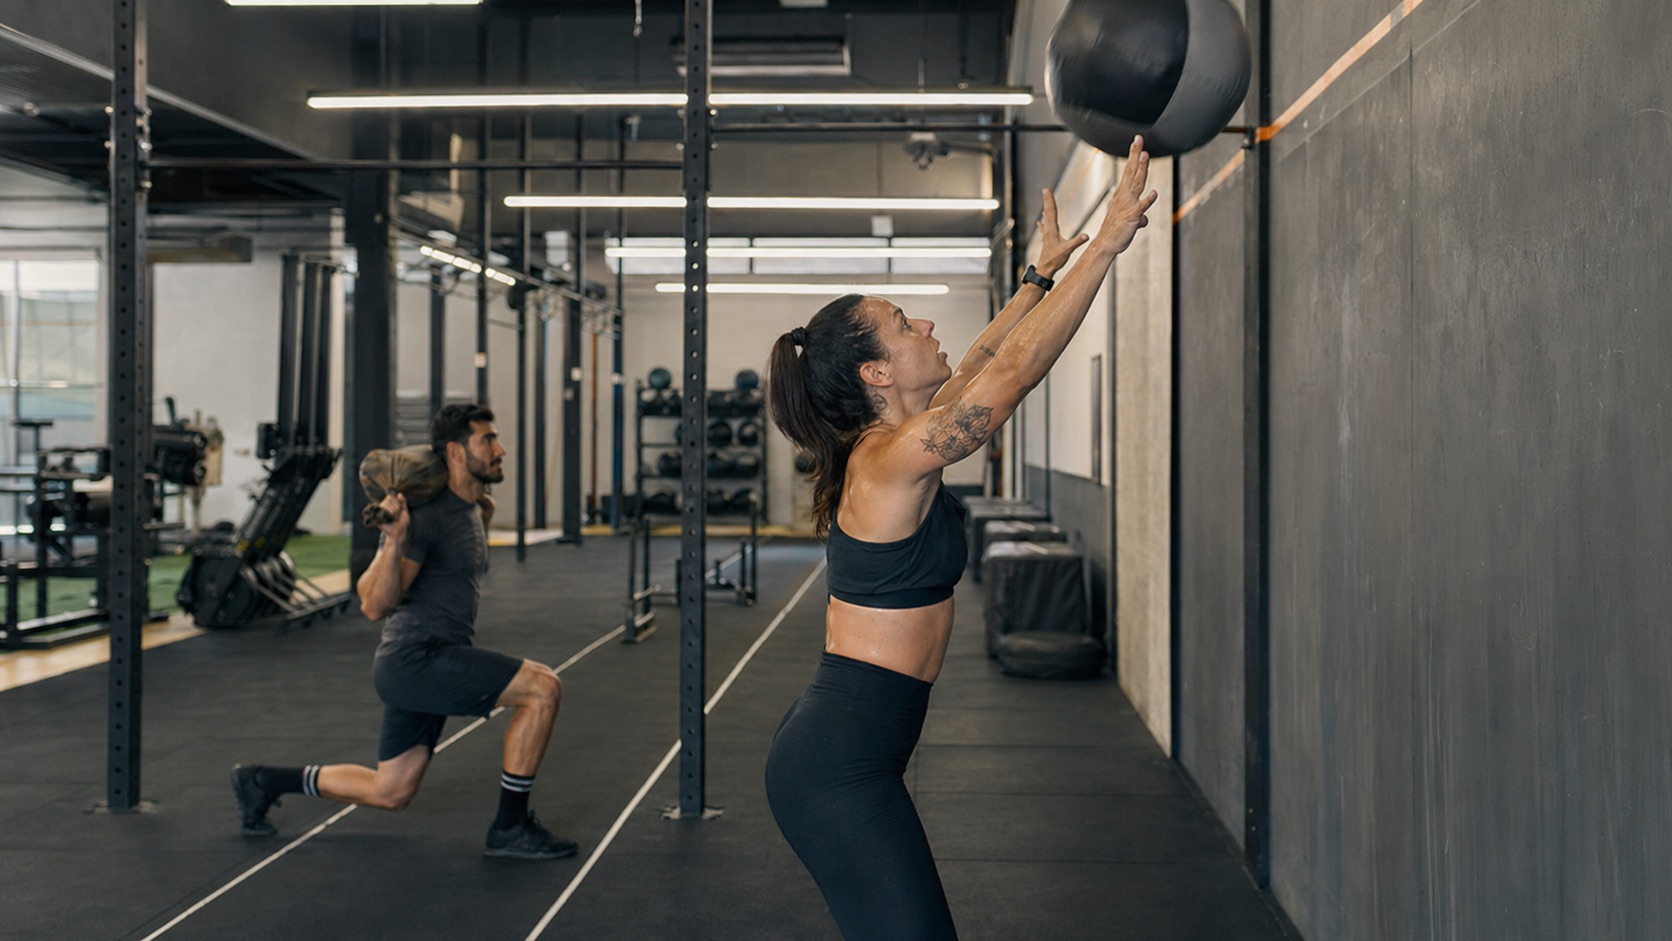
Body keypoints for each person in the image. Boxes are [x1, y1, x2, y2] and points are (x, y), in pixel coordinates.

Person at [763, 137, 1156, 938]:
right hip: (838, 767)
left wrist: (1037, 277)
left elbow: (982, 358)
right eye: (903, 323)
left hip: (856, 751)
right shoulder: (884, 462)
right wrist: (1108, 243)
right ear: (875, 373)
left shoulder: (896, 448)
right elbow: (1006, 379)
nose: (927, 322)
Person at [230, 404, 578, 860]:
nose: (501, 450)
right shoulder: (423, 518)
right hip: (417, 660)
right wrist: (393, 540)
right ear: (456, 451)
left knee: (391, 790)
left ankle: (262, 781)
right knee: (543, 688)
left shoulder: (474, 506)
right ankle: (510, 827)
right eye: (488, 440)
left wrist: (480, 513)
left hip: (429, 657)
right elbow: (373, 604)